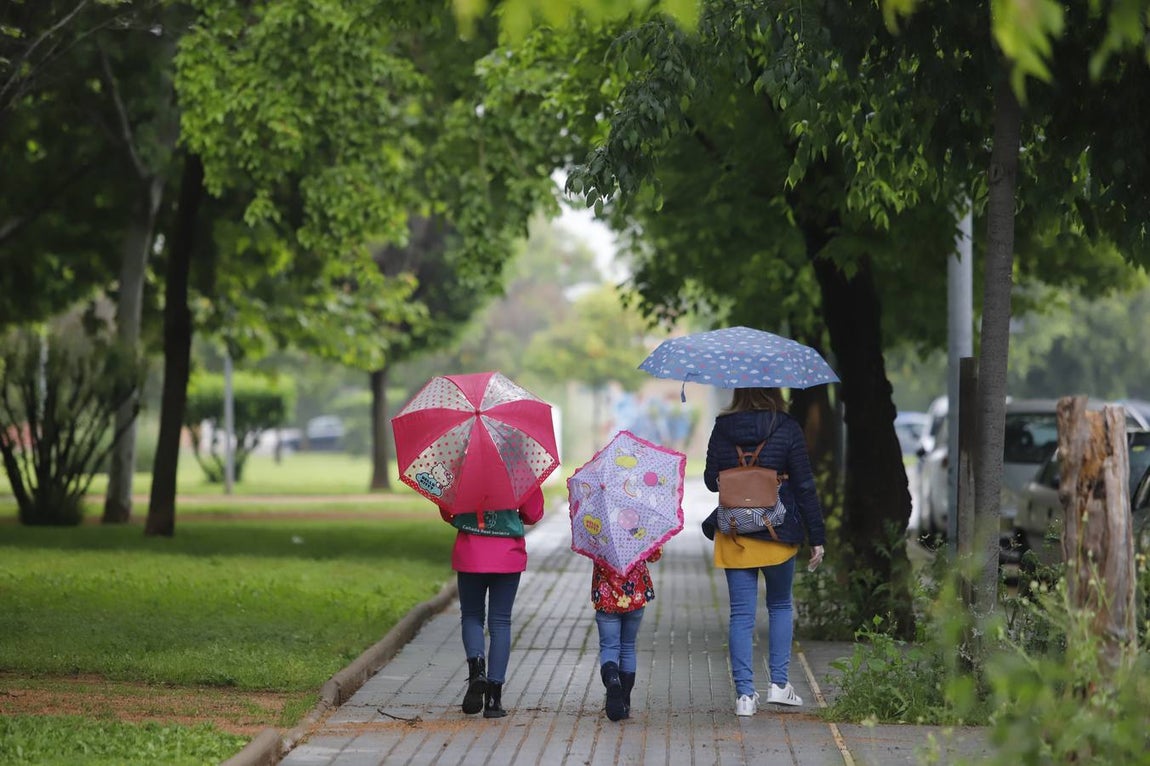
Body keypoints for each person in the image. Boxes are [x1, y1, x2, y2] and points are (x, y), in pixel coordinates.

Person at [701, 387, 826, 717]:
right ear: (775, 390)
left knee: (741, 615)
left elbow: (711, 482)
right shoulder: (787, 428)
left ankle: (744, 696)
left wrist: (739, 474)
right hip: (778, 531)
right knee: (780, 605)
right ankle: (779, 686)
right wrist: (817, 536)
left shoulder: (722, 427)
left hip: (734, 532)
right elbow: (804, 485)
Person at [440, 486, 546, 718]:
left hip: (471, 552)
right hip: (508, 554)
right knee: (500, 622)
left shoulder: (463, 466)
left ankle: (477, 669)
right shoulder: (518, 465)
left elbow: (448, 512)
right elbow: (533, 513)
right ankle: (494, 700)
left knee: (471, 615)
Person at [590, 547, 662, 721]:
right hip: (635, 594)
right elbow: (654, 555)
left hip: (606, 596)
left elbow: (590, 550)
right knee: (628, 646)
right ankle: (624, 702)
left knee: (609, 646)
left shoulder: (597, 525)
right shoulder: (641, 524)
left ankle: (613, 680)